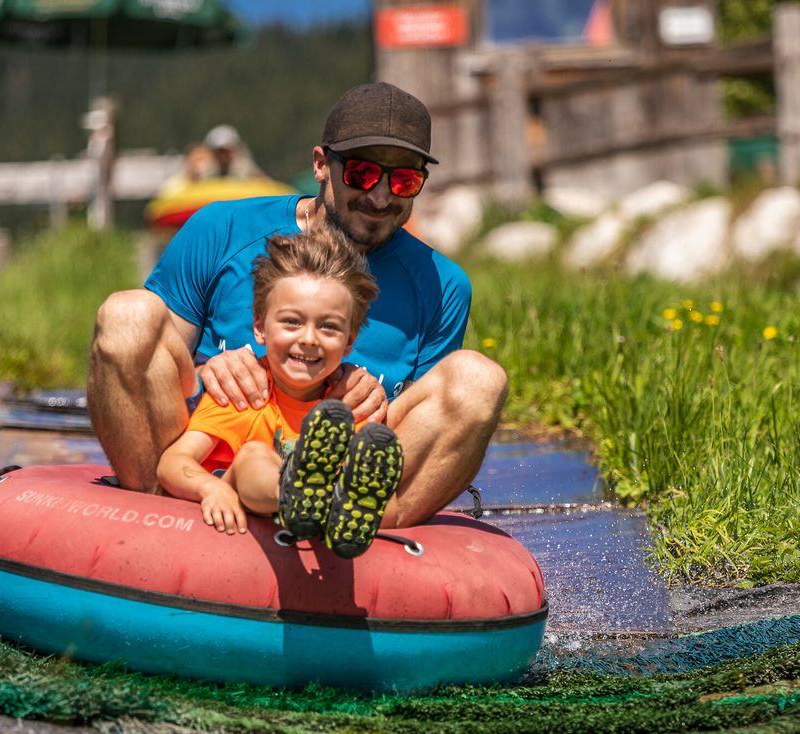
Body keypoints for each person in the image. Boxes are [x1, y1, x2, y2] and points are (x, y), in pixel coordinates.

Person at [88, 81, 507, 530]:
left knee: (480, 380)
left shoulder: (443, 285)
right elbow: (154, 360)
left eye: (404, 181)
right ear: (321, 165)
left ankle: (372, 530)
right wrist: (210, 371)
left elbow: (421, 433)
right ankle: (158, 520)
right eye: (362, 175)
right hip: (218, 462)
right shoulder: (220, 227)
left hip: (343, 467)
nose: (382, 197)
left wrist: (377, 402)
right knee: (126, 315)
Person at [157, 225, 401, 558]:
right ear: (260, 327)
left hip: (315, 515)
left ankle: (325, 502)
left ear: (350, 341)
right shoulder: (245, 389)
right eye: (291, 322)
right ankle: (294, 491)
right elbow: (173, 461)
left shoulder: (344, 409)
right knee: (253, 455)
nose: (309, 338)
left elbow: (384, 500)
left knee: (365, 466)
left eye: (329, 326)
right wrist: (209, 488)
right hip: (239, 499)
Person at [184, 124, 261, 181]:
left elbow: (263, 185)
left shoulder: (245, 169)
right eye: (218, 152)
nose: (222, 156)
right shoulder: (204, 170)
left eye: (225, 152)